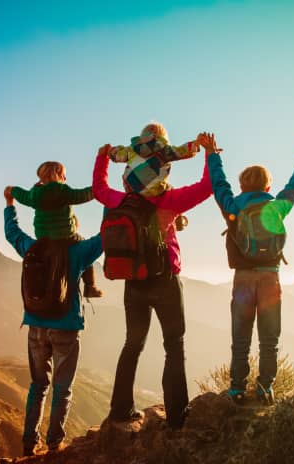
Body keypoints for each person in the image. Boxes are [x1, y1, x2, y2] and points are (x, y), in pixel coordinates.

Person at [93, 135, 213, 429]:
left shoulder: (120, 200)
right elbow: (207, 187)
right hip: (164, 281)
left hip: (133, 282)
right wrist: (210, 154)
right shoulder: (168, 200)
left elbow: (99, 189)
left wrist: (101, 158)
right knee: (174, 345)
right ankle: (175, 416)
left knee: (132, 344)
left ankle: (120, 410)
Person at [206, 135, 294, 404]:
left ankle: (237, 388)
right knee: (269, 340)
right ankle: (265, 387)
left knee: (241, 339)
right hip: (270, 278)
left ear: (242, 185)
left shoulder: (234, 206)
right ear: (268, 184)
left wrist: (213, 155)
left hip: (243, 280)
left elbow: (218, 184)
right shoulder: (277, 207)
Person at [3, 185, 103, 455]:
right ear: (67, 217)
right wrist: (110, 201)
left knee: (38, 386)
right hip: (66, 328)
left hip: (36, 326)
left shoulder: (31, 248)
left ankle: (28, 444)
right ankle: (54, 444)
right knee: (62, 388)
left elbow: (12, 233)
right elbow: (104, 238)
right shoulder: (77, 251)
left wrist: (10, 205)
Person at [8, 161, 104, 298]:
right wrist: (99, 190)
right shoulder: (62, 191)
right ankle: (90, 286)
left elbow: (22, 196)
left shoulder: (34, 195)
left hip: (43, 238)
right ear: (57, 174)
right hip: (66, 237)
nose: (65, 179)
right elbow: (82, 195)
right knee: (84, 248)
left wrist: (11, 192)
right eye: (64, 175)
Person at [109, 121, 202, 230]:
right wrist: (196, 144)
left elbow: (117, 155)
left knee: (132, 176)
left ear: (142, 136)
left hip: (131, 189)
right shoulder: (164, 150)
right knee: (169, 189)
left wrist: (111, 150)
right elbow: (181, 151)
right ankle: (179, 218)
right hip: (154, 192)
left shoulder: (131, 149)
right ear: (162, 137)